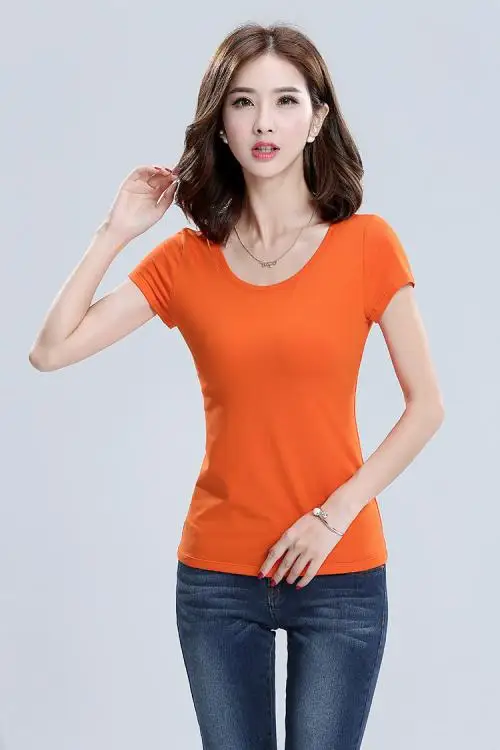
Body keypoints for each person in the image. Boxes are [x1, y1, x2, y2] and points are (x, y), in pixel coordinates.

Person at [29, 20, 444, 750]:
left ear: (317, 119)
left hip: (339, 570)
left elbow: (426, 408)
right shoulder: (187, 260)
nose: (264, 122)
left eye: (285, 101)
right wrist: (115, 230)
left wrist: (331, 517)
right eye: (243, 102)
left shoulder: (367, 244)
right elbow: (51, 350)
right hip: (218, 577)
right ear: (220, 123)